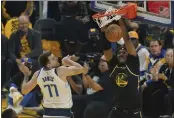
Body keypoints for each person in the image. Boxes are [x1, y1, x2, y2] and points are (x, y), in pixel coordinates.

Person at [19, 52, 85, 118]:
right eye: (53, 59)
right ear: (49, 65)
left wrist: (26, 75)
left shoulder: (38, 74)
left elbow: (24, 91)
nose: (56, 58)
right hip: (63, 113)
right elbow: (81, 69)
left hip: (47, 114)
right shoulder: (60, 71)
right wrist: (67, 61)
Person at [101, 18, 141, 118]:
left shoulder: (133, 64)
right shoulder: (113, 65)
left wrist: (121, 23)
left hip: (133, 112)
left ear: (128, 55)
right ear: (116, 56)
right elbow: (106, 48)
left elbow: (127, 40)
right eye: (119, 53)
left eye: (124, 52)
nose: (122, 53)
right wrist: (105, 31)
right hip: (117, 111)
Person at [6, 14, 42, 86]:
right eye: (22, 24)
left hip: (31, 58)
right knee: (9, 62)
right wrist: (17, 60)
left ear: (29, 23)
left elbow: (38, 50)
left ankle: (12, 84)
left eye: (26, 23)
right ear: (18, 24)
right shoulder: (14, 35)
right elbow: (10, 51)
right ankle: (9, 84)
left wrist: (26, 56)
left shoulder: (36, 34)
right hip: (18, 58)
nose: (24, 25)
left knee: (31, 63)